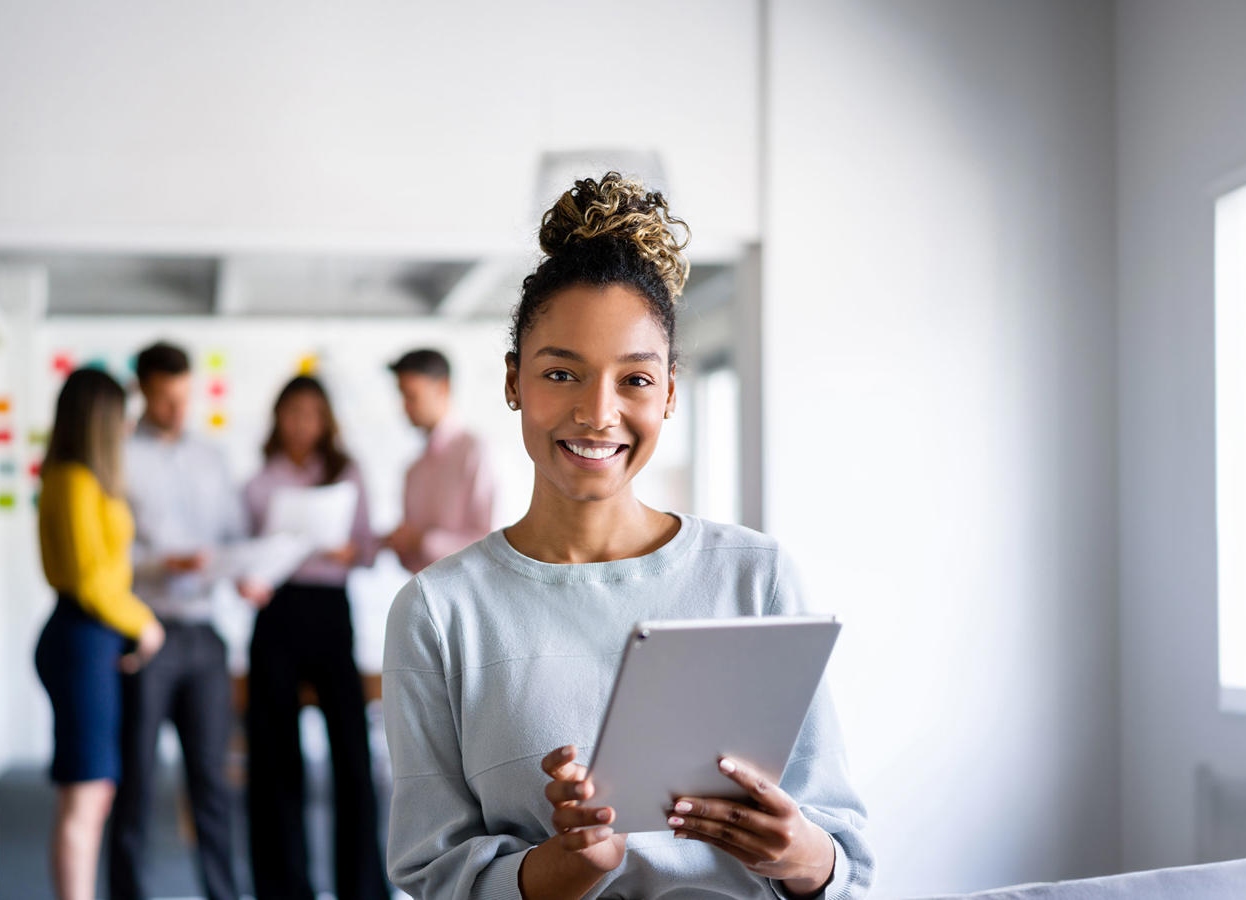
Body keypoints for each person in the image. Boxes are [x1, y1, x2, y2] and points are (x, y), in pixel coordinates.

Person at [382, 174, 875, 900]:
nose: (597, 413)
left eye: (635, 381)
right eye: (561, 373)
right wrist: (564, 869)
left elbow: (845, 860)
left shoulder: (756, 576)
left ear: (671, 391)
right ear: (515, 381)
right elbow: (431, 871)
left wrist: (800, 854)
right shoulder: (439, 611)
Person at [110, 342, 269, 900]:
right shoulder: (121, 457)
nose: (177, 409)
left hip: (206, 634)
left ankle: (223, 894)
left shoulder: (213, 457)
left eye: (183, 397)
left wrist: (244, 571)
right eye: (163, 398)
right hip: (146, 631)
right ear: (143, 393)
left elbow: (231, 537)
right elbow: (109, 555)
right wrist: (161, 563)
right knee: (135, 780)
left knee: (211, 783)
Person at [243, 375, 391, 900]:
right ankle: (282, 888)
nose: (302, 423)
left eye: (311, 413)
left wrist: (351, 552)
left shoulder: (347, 473)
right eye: (292, 412)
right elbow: (244, 553)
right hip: (276, 614)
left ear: (326, 420)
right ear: (278, 418)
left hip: (330, 612)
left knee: (352, 756)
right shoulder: (260, 480)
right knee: (273, 759)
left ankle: (363, 888)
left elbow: (369, 550)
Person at [33, 367, 166, 900]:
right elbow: (90, 581)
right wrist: (145, 624)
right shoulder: (72, 480)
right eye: (125, 413)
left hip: (94, 639)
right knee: (83, 799)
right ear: (101, 419)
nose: (132, 424)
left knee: (96, 795)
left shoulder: (84, 479)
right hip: (81, 636)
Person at [382, 348, 496, 574]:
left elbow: (491, 544)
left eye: (411, 396)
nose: (404, 407)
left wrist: (423, 542)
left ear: (443, 388)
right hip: (423, 598)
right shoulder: (414, 469)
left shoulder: (476, 452)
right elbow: (411, 561)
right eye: (402, 395)